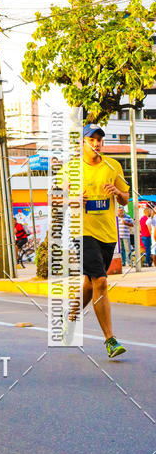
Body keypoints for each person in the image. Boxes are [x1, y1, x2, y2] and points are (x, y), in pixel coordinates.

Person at [67, 125, 130, 358]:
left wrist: (117, 192)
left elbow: (125, 199)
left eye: (99, 140)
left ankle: (71, 317)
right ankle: (110, 340)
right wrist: (71, 199)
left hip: (108, 234)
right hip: (82, 232)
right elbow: (54, 198)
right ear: (82, 143)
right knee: (101, 281)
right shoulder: (71, 169)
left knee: (90, 283)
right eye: (91, 139)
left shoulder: (113, 166)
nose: (96, 143)